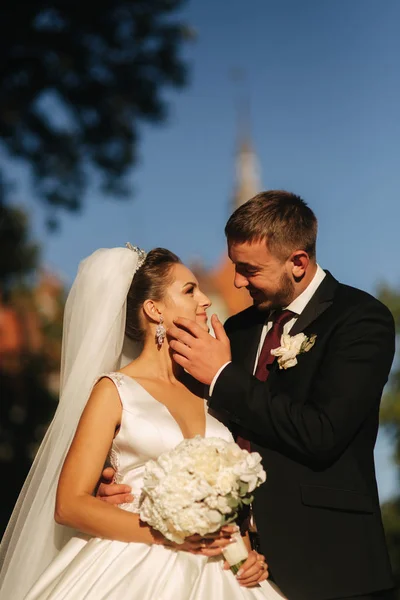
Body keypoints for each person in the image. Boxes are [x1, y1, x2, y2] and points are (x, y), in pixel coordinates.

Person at [0, 245, 284, 600]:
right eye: (189, 290)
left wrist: (246, 553)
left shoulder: (210, 392)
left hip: (222, 575)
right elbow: (69, 503)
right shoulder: (114, 391)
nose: (205, 301)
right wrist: (166, 534)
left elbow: (229, 495)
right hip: (136, 566)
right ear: (154, 309)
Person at [162, 191, 396, 600]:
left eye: (249, 270)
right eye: (235, 267)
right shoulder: (235, 330)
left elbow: (322, 432)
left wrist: (222, 375)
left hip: (331, 567)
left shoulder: (361, 320)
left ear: (298, 263)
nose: (237, 281)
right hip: (235, 564)